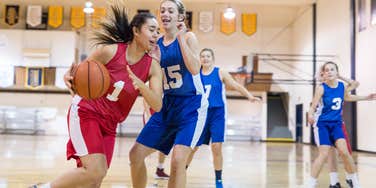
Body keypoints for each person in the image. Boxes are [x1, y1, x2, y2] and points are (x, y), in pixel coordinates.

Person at [31, 6, 163, 188]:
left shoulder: (152, 67)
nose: (156, 34)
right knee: (95, 171)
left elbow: (158, 103)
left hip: (110, 124)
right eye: (151, 29)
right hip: (87, 112)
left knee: (94, 179)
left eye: (158, 31)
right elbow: (79, 74)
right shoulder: (109, 51)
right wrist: (69, 77)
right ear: (136, 31)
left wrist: (141, 86)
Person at [128, 0, 209, 188]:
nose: (165, 14)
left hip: (191, 106)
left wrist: (180, 39)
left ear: (180, 17)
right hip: (167, 106)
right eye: (162, 10)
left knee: (178, 161)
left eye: (170, 11)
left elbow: (195, 69)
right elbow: (149, 77)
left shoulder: (189, 37)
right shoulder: (155, 44)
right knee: (136, 154)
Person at [185, 48, 261, 188]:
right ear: (200, 59)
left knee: (216, 147)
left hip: (217, 114)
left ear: (213, 58)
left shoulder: (220, 72)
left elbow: (236, 85)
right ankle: (182, 172)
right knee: (193, 146)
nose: (205, 58)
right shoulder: (195, 74)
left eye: (208, 56)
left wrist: (249, 96)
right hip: (200, 114)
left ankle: (218, 180)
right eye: (203, 56)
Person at [307, 61, 376, 188]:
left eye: (332, 69)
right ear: (323, 73)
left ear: (336, 72)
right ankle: (310, 183)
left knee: (344, 152)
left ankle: (354, 182)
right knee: (324, 154)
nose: (329, 72)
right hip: (322, 124)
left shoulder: (341, 86)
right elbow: (313, 106)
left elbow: (350, 92)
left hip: (336, 124)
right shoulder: (321, 88)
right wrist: (310, 115)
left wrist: (366, 97)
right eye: (326, 70)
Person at [142, 99, 170, 180]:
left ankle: (160, 169)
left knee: (165, 144)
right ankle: (138, 156)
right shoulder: (152, 85)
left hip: (165, 115)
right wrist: (148, 114)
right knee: (158, 143)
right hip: (152, 113)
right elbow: (145, 99)